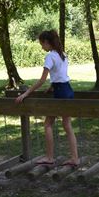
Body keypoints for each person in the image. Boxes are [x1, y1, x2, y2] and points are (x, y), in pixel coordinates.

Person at [15, 30, 79, 167]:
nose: (41, 47)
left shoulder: (50, 56)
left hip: (60, 93)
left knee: (48, 124)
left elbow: (41, 80)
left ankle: (49, 157)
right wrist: (52, 86)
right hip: (67, 90)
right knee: (67, 125)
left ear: (47, 42)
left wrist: (26, 94)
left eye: (42, 44)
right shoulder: (63, 55)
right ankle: (75, 158)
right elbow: (60, 75)